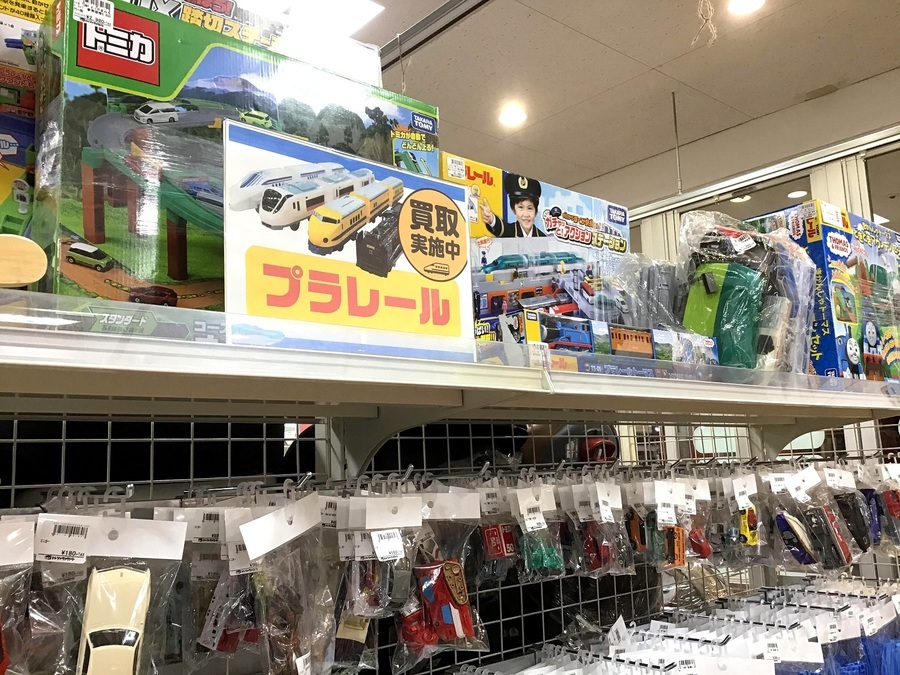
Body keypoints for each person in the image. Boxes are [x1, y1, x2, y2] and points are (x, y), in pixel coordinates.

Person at [480, 173, 545, 238]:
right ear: (513, 209)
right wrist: (491, 219)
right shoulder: (509, 231)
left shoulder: (544, 238)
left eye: (529, 208)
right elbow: (501, 228)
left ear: (536, 211)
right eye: (521, 207)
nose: (526, 214)